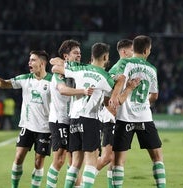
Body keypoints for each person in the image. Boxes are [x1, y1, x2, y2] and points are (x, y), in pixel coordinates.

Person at [51, 42, 139, 188]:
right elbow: (116, 98)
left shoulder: (79, 69)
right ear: (106, 57)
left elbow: (55, 67)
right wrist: (125, 84)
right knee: (91, 161)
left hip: (73, 119)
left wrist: (61, 63)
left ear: (91, 56)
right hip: (90, 119)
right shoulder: (105, 77)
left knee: (75, 163)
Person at [0, 50, 52, 188]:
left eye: (33, 60)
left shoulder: (53, 81)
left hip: (45, 128)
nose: (29, 62)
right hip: (27, 126)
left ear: (42, 63)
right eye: (29, 60)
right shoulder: (25, 79)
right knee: (18, 158)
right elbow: (3, 84)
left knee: (38, 162)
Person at [109, 35, 166, 188]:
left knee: (119, 160)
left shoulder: (124, 63)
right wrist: (143, 103)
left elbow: (114, 78)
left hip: (124, 117)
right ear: (147, 50)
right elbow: (155, 95)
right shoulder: (152, 69)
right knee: (157, 157)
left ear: (133, 48)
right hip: (144, 117)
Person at [46, 39, 93, 188]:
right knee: (59, 159)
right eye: (75, 53)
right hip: (59, 120)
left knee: (75, 159)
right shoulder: (59, 73)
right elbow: (63, 90)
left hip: (72, 119)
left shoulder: (78, 71)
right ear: (66, 56)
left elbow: (55, 61)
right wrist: (83, 91)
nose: (79, 55)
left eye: (80, 53)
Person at [96, 39, 133, 187]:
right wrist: (129, 88)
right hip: (109, 118)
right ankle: (81, 182)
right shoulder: (119, 68)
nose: (134, 53)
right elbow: (110, 99)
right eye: (132, 50)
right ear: (124, 52)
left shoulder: (125, 68)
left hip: (115, 118)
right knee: (108, 158)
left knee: (114, 159)